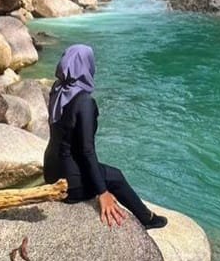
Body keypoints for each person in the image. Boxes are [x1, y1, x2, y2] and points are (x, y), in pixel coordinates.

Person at [43, 43, 167, 229]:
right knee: (115, 176)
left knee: (105, 173)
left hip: (51, 172)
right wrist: (102, 192)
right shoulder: (84, 102)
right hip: (69, 184)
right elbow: (86, 151)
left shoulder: (58, 90)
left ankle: (144, 214)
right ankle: (147, 219)